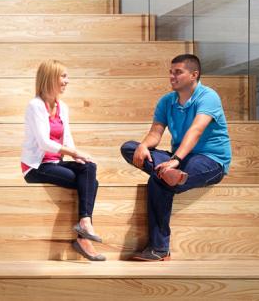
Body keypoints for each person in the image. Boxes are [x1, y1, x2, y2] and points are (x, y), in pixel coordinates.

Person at [120, 53, 232, 261]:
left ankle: (159, 248)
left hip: (210, 159)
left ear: (194, 75)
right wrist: (144, 146)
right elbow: (155, 133)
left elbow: (196, 130)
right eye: (171, 72)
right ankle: (170, 173)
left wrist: (176, 160)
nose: (172, 76)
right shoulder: (167, 101)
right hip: (179, 157)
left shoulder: (208, 96)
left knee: (157, 180)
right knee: (129, 147)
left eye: (178, 72)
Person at [22, 60, 104, 261]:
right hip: (36, 166)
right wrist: (75, 154)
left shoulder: (62, 107)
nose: (67, 81)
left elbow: (66, 137)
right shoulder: (35, 106)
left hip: (55, 163)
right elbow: (43, 142)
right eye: (63, 76)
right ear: (50, 78)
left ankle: (84, 224)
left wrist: (78, 154)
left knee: (89, 168)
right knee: (90, 183)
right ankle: (84, 237)